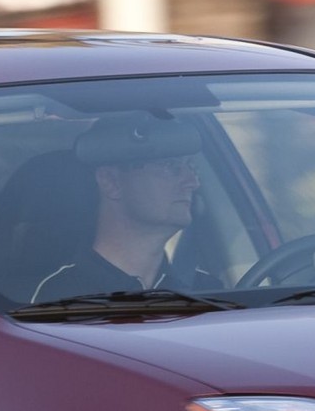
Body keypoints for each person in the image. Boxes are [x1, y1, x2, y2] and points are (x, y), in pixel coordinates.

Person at [30, 111, 218, 301]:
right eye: (170, 165)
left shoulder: (208, 290)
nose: (193, 182)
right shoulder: (56, 298)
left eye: (192, 167)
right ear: (110, 181)